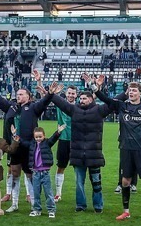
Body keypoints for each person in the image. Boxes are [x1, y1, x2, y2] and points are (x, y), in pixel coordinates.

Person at [93, 76, 141, 224]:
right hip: (126, 149)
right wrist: (95, 86)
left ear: (140, 93)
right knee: (125, 181)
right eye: (129, 90)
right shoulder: (122, 106)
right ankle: (126, 211)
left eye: (134, 90)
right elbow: (106, 99)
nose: (131, 92)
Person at [0, 69, 54, 213]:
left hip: (30, 147)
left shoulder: (34, 108)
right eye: (17, 94)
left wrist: (49, 92)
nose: (18, 96)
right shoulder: (11, 107)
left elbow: (45, 101)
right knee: (14, 172)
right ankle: (14, 203)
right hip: (14, 147)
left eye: (21, 94)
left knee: (30, 175)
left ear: (28, 97)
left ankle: (35, 204)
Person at [47, 82, 115, 213]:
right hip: (78, 153)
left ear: (91, 99)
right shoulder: (74, 110)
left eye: (84, 98)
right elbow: (61, 103)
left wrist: (98, 90)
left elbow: (112, 104)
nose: (81, 100)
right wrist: (51, 93)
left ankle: (98, 206)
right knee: (79, 183)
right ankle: (80, 205)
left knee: (96, 183)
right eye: (81, 98)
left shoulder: (99, 110)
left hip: (94, 154)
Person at [26, 125, 61, 218]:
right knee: (36, 192)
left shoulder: (47, 143)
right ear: (34, 137)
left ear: (44, 136)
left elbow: (53, 139)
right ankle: (37, 209)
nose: (38, 139)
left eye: (40, 136)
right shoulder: (32, 144)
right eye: (36, 137)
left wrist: (58, 132)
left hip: (45, 172)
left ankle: (51, 210)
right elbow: (22, 143)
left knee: (48, 192)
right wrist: (15, 136)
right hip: (35, 173)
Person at [52, 85, 75, 202]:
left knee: (79, 168)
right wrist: (54, 93)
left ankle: (79, 194)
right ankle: (58, 193)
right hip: (63, 139)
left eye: (73, 93)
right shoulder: (60, 105)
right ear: (66, 94)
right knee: (61, 166)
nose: (71, 95)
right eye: (69, 93)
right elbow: (48, 97)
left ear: (76, 95)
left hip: (76, 141)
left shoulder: (79, 107)